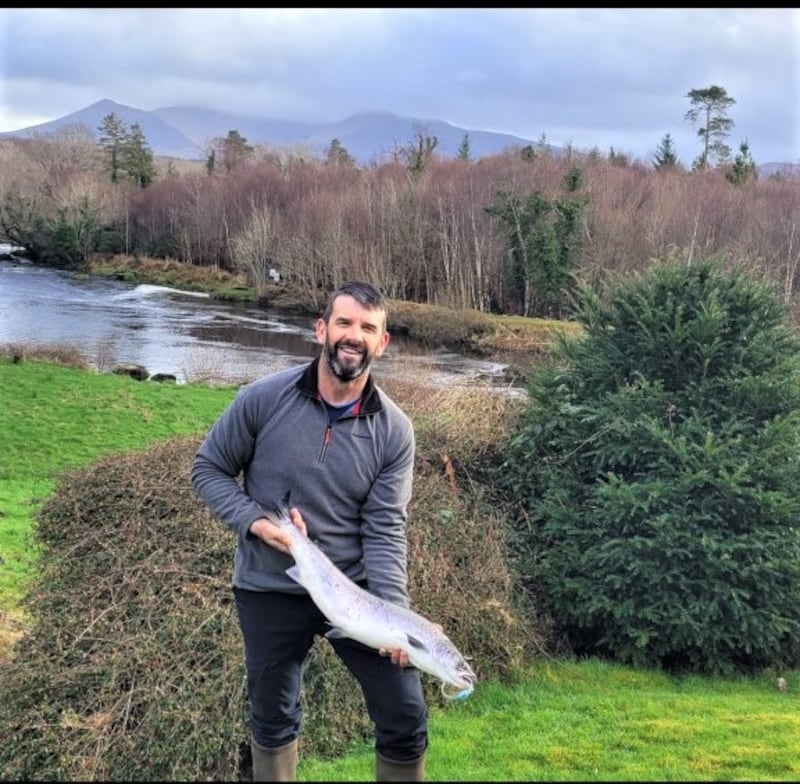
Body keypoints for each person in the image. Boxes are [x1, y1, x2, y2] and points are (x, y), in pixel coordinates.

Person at [190, 281, 428, 782]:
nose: (353, 336)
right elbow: (208, 469)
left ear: (382, 343)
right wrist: (256, 523)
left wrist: (393, 616)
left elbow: (385, 529)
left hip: (355, 593)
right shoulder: (261, 400)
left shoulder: (394, 431)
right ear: (321, 329)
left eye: (368, 328)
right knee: (273, 717)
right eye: (343, 323)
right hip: (269, 584)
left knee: (405, 714)